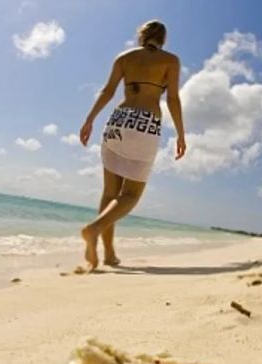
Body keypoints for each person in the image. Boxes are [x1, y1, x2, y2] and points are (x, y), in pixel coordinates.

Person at [78, 20, 186, 271]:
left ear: (141, 36)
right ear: (163, 39)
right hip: (145, 124)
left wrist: (89, 120)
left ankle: (109, 254)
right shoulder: (170, 60)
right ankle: (93, 230)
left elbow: (107, 91)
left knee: (109, 193)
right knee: (131, 195)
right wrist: (181, 134)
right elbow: (172, 98)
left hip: (118, 120)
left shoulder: (124, 58)